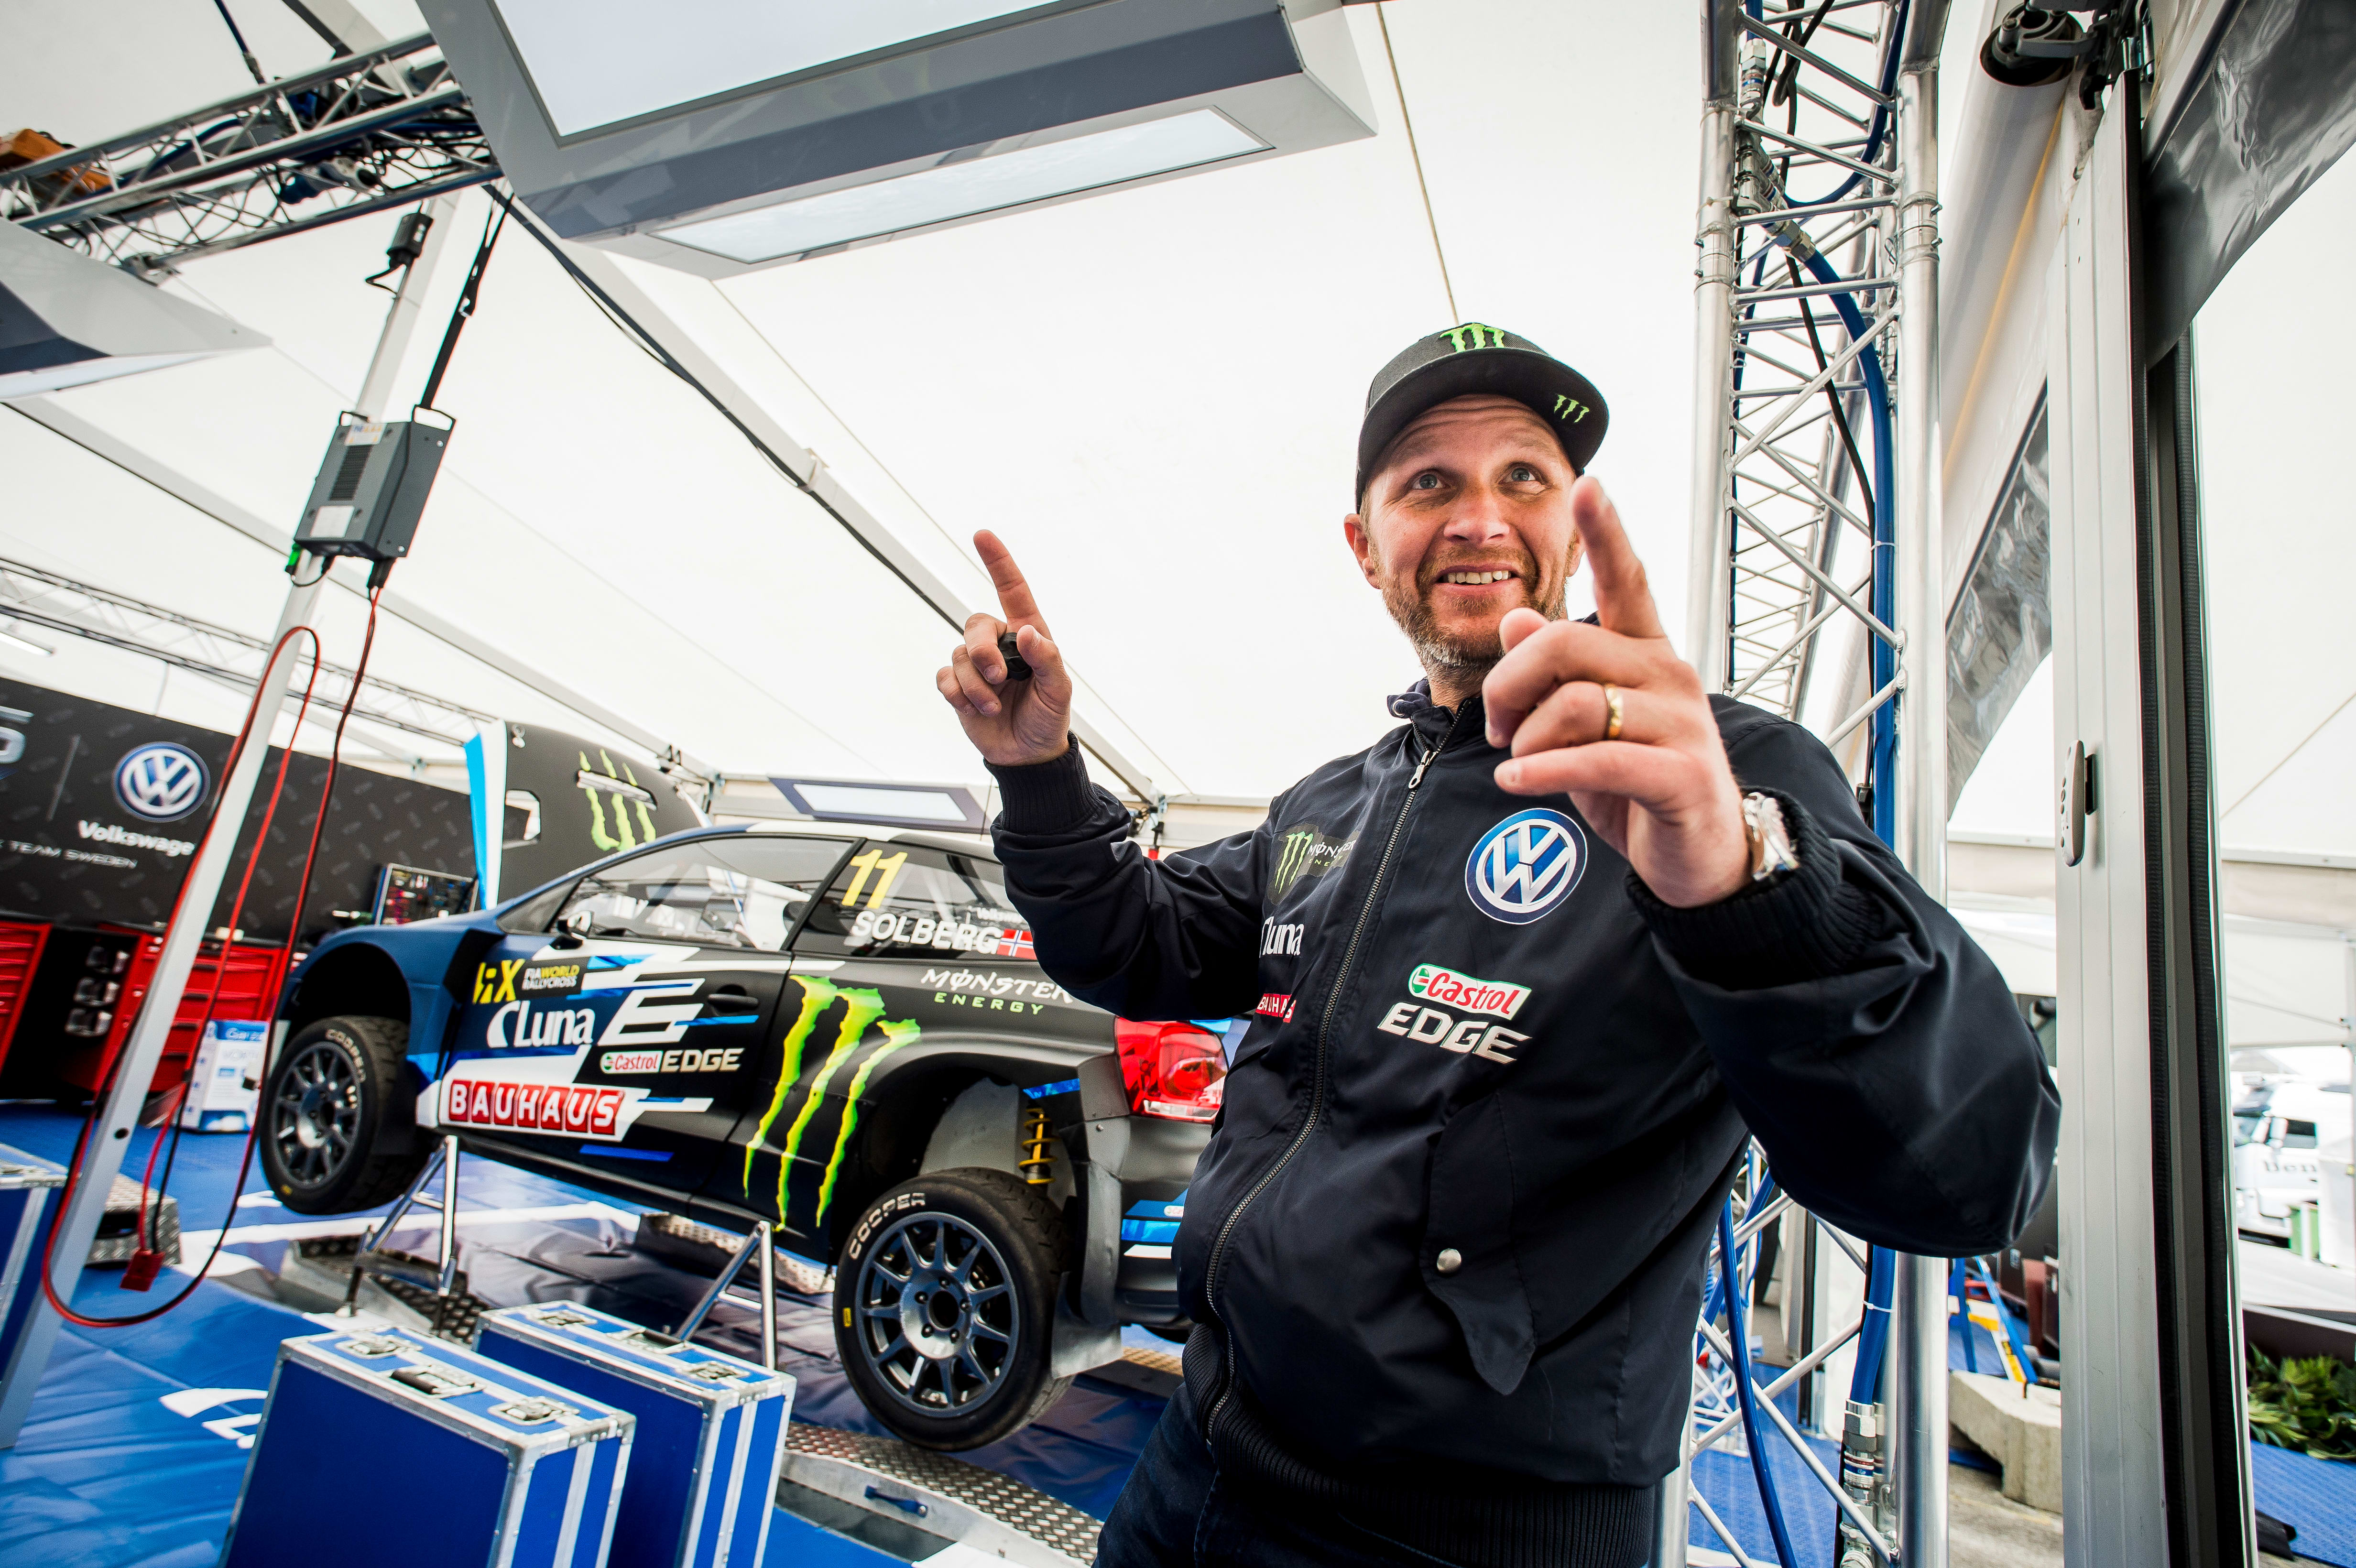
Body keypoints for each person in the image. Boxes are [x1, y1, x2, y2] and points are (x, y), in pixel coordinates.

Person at [933, 324, 2059, 1568]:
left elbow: (1964, 1176)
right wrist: (1038, 772)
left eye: (1524, 476)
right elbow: (1130, 943)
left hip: (1479, 1538)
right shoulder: (1335, 803)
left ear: (1573, 523)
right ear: (1365, 547)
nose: (1480, 517)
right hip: (1198, 1467)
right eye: (1429, 483)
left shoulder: (1713, 779)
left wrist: (1745, 881)